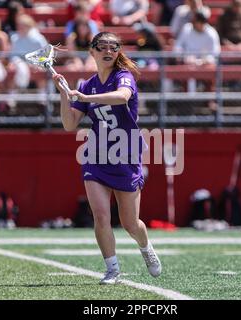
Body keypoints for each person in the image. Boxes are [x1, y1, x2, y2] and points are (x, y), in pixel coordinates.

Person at [52, 32, 162, 285]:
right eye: (102, 46)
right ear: (92, 51)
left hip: (124, 153)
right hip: (97, 155)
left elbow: (121, 97)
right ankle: (112, 269)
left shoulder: (122, 77)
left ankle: (146, 248)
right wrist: (62, 94)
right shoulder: (87, 84)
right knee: (100, 215)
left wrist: (86, 98)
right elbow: (70, 124)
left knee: (130, 224)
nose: (108, 51)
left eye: (114, 47)